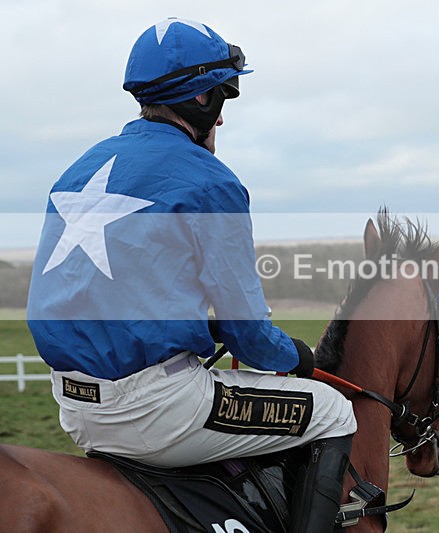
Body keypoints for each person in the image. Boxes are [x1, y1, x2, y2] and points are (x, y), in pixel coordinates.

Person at [26, 18, 356, 532]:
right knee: (333, 411)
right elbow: (250, 334)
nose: (222, 117)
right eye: (222, 98)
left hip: (73, 405)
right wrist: (296, 355)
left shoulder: (81, 168)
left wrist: (197, 325)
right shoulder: (212, 182)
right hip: (155, 410)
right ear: (200, 99)